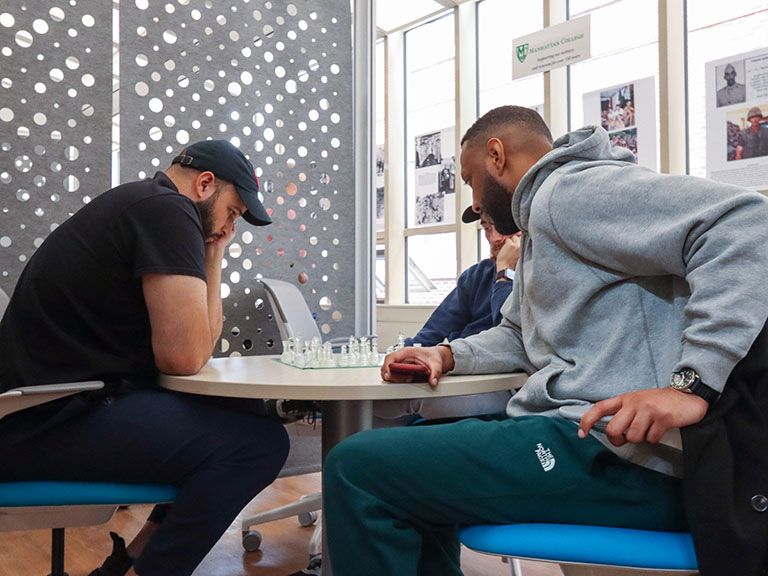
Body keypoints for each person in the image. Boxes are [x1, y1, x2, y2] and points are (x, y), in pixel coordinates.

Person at [321, 106, 768, 575]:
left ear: (496, 156)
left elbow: (748, 222)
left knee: (359, 469)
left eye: (471, 180)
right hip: (584, 439)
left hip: (620, 455)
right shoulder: (540, 225)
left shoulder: (571, 192)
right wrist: (447, 353)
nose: (474, 203)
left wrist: (691, 385)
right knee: (408, 458)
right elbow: (516, 334)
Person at [0, 140, 290, 576]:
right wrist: (207, 243)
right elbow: (184, 357)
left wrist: (215, 252)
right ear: (205, 184)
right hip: (39, 423)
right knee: (259, 446)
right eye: (232, 211)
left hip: (46, 410)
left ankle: (130, 560)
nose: (232, 224)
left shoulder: (146, 203)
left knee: (245, 411)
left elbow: (199, 345)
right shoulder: (165, 211)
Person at [373, 206, 520, 426]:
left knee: (404, 399)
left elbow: (509, 335)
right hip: (459, 373)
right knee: (373, 398)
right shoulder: (477, 275)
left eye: (504, 228)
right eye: (487, 228)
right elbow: (432, 332)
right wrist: (402, 355)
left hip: (505, 386)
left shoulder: (535, 276)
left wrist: (505, 274)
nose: (495, 238)